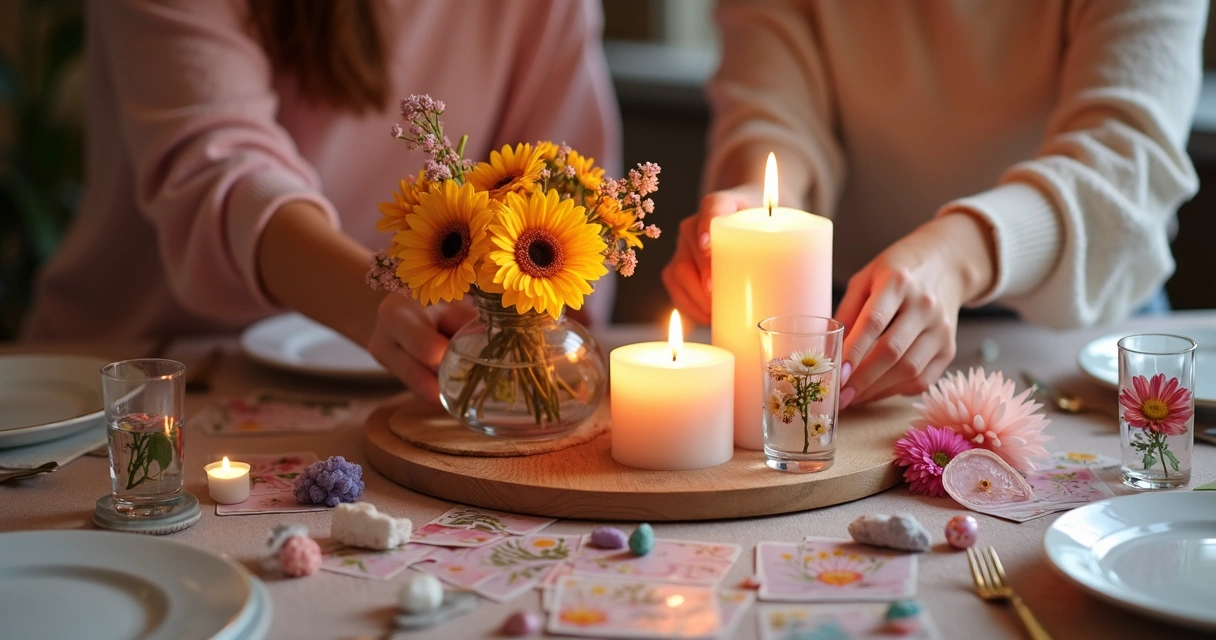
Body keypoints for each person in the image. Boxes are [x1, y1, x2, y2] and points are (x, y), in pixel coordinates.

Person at [23, 0, 620, 403]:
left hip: (408, 383)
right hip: (139, 374)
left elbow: (561, 182)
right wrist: (378, 300)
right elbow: (218, 169)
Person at [663, 0, 1205, 409]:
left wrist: (961, 254)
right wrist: (750, 203)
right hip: (852, 321)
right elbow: (772, 108)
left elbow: (1124, 161)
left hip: (1076, 324)